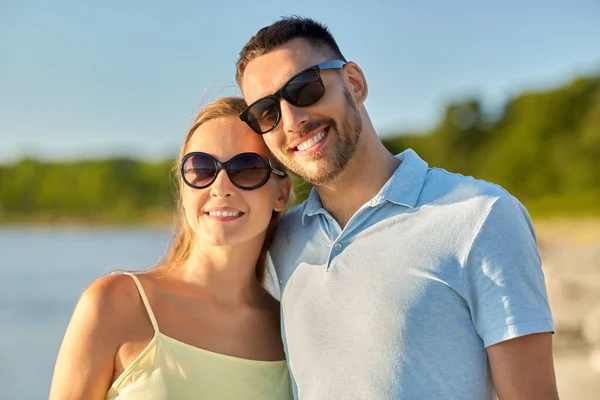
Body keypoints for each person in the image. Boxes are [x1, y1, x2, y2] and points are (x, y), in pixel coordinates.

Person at [235, 16, 559, 399]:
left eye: (305, 88)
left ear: (354, 84)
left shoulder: (481, 216)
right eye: (266, 113)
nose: (292, 120)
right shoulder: (279, 244)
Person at [49, 97, 293, 400]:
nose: (220, 186)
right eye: (202, 168)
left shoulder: (289, 331)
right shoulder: (115, 304)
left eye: (246, 168)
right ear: (184, 186)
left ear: (281, 193)